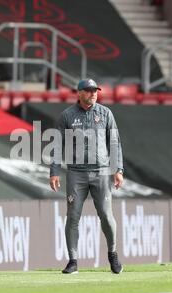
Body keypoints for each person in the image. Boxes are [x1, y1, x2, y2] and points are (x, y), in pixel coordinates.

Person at [49, 78, 124, 274]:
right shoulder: (67, 115)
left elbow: (114, 143)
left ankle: (113, 255)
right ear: (79, 93)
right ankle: (73, 261)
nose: (93, 93)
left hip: (101, 172)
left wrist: (118, 170)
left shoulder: (106, 113)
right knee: (72, 217)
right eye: (89, 91)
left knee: (106, 216)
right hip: (76, 173)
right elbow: (58, 146)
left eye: (95, 91)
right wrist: (55, 171)